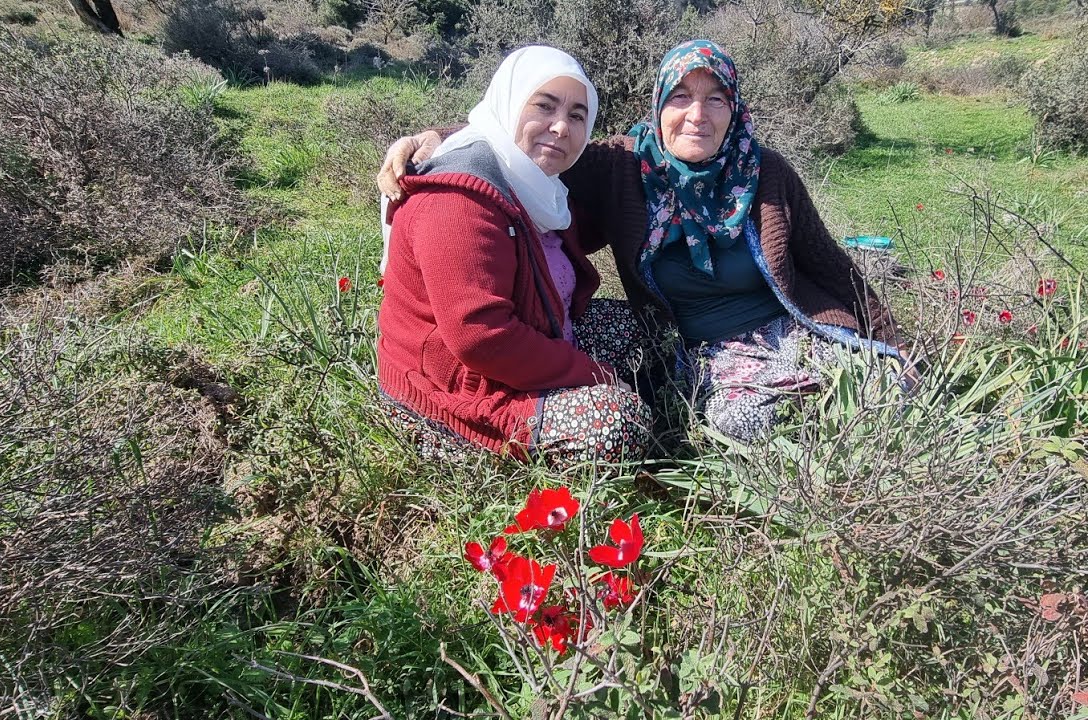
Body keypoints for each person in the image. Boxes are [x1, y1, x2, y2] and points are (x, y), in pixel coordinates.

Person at [380, 40, 913, 443]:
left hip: (791, 330)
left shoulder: (766, 172)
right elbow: (516, 138)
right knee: (743, 423)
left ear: (736, 111)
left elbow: (830, 265)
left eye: (716, 99)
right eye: (681, 96)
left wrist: (904, 347)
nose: (697, 115)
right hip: (704, 350)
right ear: (659, 104)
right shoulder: (624, 166)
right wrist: (435, 139)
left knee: (892, 385)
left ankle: (839, 411)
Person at [377, 45, 653, 467]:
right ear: (507, 102)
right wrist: (595, 375)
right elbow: (482, 338)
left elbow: (622, 155)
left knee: (644, 327)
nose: (561, 127)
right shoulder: (458, 201)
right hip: (456, 391)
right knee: (621, 423)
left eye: (578, 115)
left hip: (535, 333)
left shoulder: (537, 183)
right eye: (545, 105)